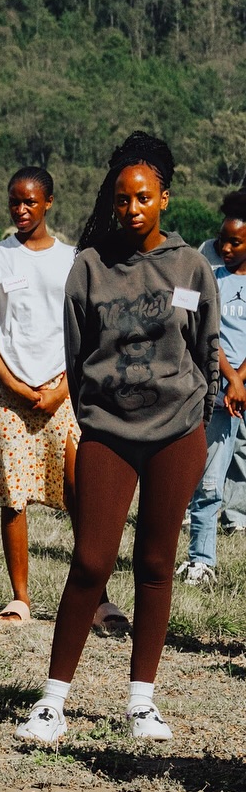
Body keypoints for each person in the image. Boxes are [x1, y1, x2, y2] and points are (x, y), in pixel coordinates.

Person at [16, 134, 217, 747]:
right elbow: (77, 353)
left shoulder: (189, 266)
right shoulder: (91, 264)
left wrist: (199, 411)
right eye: (123, 199)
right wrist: (94, 410)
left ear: (164, 199)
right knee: (91, 561)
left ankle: (141, 701)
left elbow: (205, 345)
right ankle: (52, 702)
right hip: (107, 432)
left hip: (178, 433)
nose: (132, 209)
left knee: (156, 565)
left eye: (144, 198)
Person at [0, 168, 113, 627]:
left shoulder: (74, 259)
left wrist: (60, 389)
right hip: (8, 396)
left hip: (63, 391)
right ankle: (20, 599)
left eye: (30, 202)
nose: (21, 210)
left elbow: (90, 333)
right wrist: (17, 387)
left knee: (79, 492)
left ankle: (99, 598)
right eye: (14, 202)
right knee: (14, 497)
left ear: (49, 202)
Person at [177, 192, 246, 585]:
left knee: (219, 475)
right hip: (211, 387)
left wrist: (240, 380)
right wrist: (230, 377)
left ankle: (211, 548)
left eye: (236, 242)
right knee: (200, 477)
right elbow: (193, 320)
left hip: (235, 392)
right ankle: (196, 559)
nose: (226, 247)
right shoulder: (206, 262)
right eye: (223, 240)